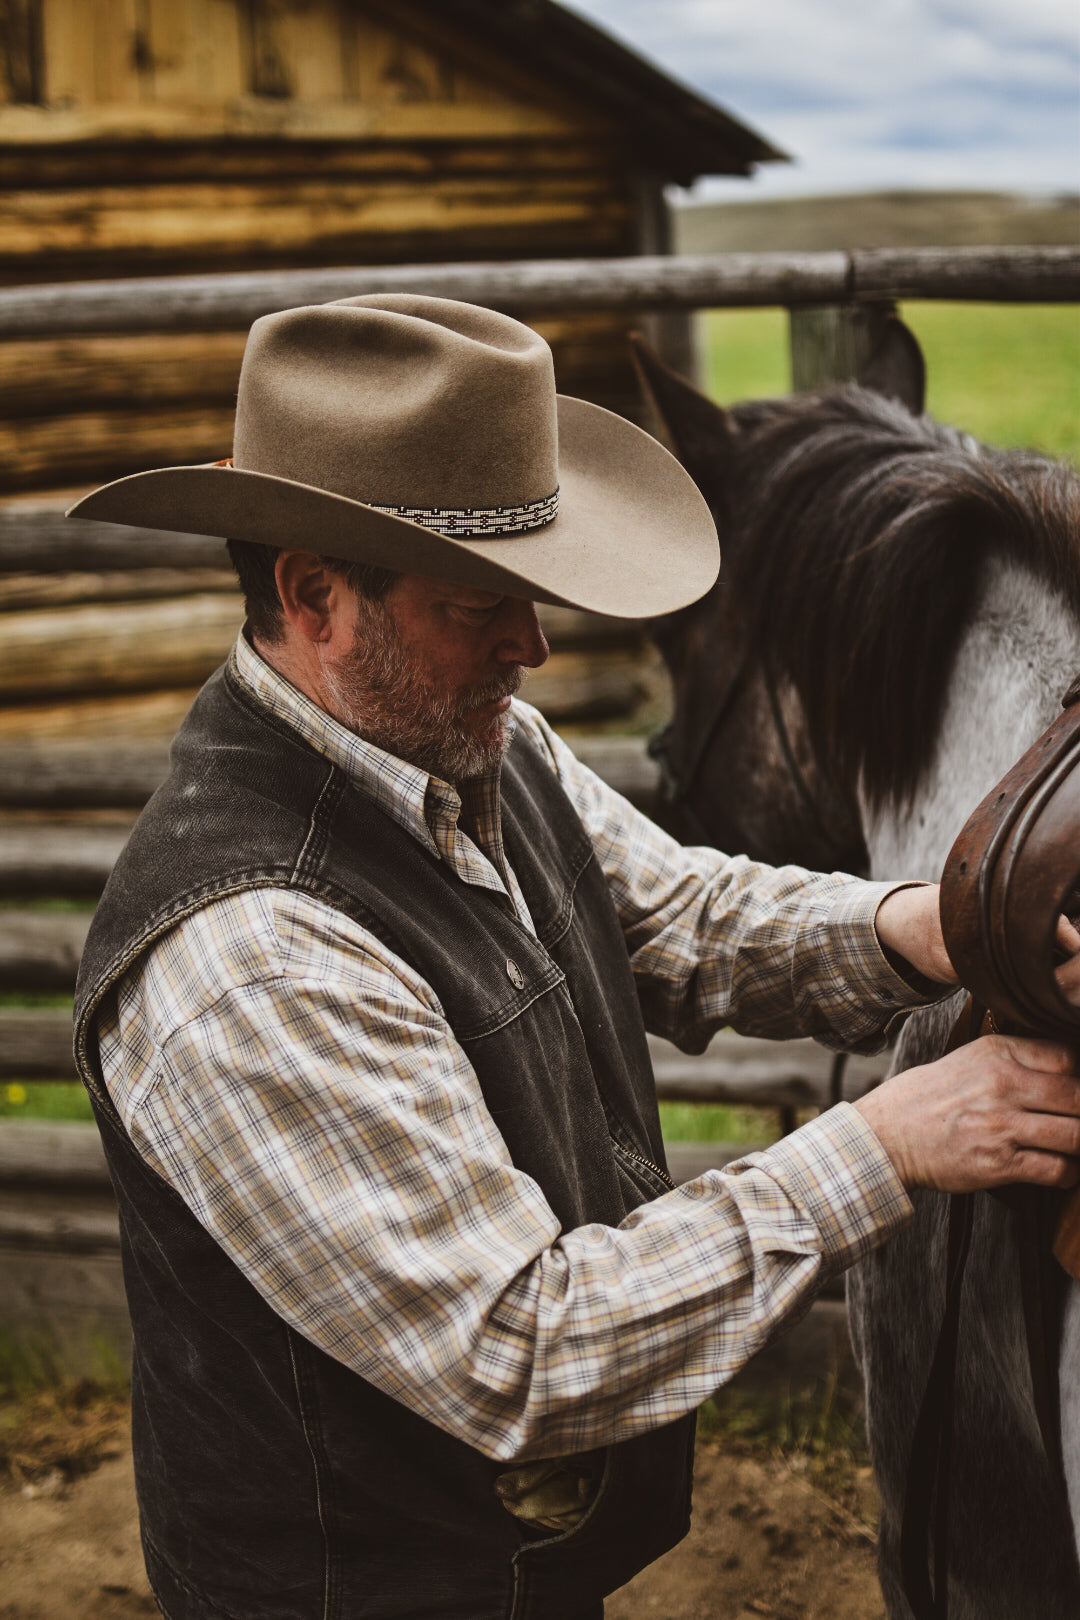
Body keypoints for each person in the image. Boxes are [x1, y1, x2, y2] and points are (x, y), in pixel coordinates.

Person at [70, 295, 1080, 1620]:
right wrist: (883, 1145)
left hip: (509, 1570)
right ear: (314, 595)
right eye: (480, 603)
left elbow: (675, 915)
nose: (533, 648)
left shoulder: (469, 744)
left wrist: (921, 924)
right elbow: (520, 1349)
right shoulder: (251, 958)